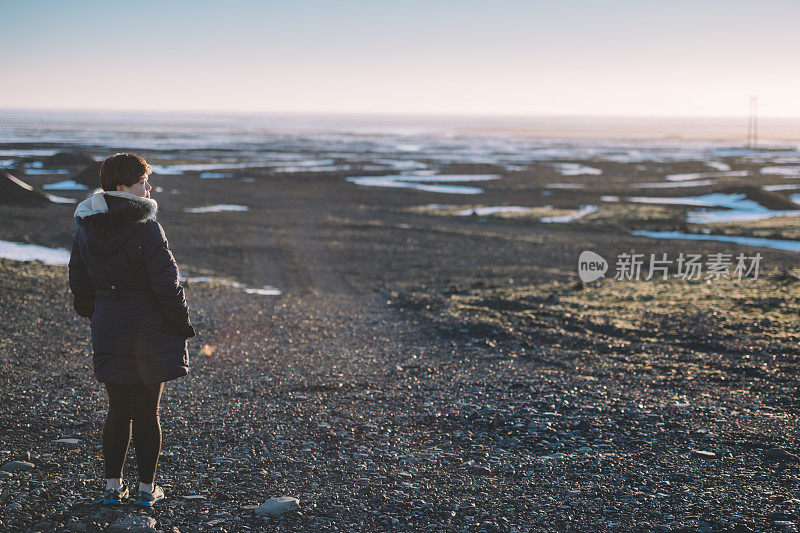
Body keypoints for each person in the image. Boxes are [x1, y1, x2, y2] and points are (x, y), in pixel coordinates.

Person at [68, 153, 196, 507]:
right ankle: (145, 490)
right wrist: (181, 322)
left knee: (117, 409)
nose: (149, 188)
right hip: (148, 326)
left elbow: (78, 275)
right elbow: (167, 283)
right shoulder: (147, 225)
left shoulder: (86, 222)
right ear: (122, 187)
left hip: (108, 323)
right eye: (143, 182)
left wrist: (98, 310)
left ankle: (112, 487)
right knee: (146, 411)